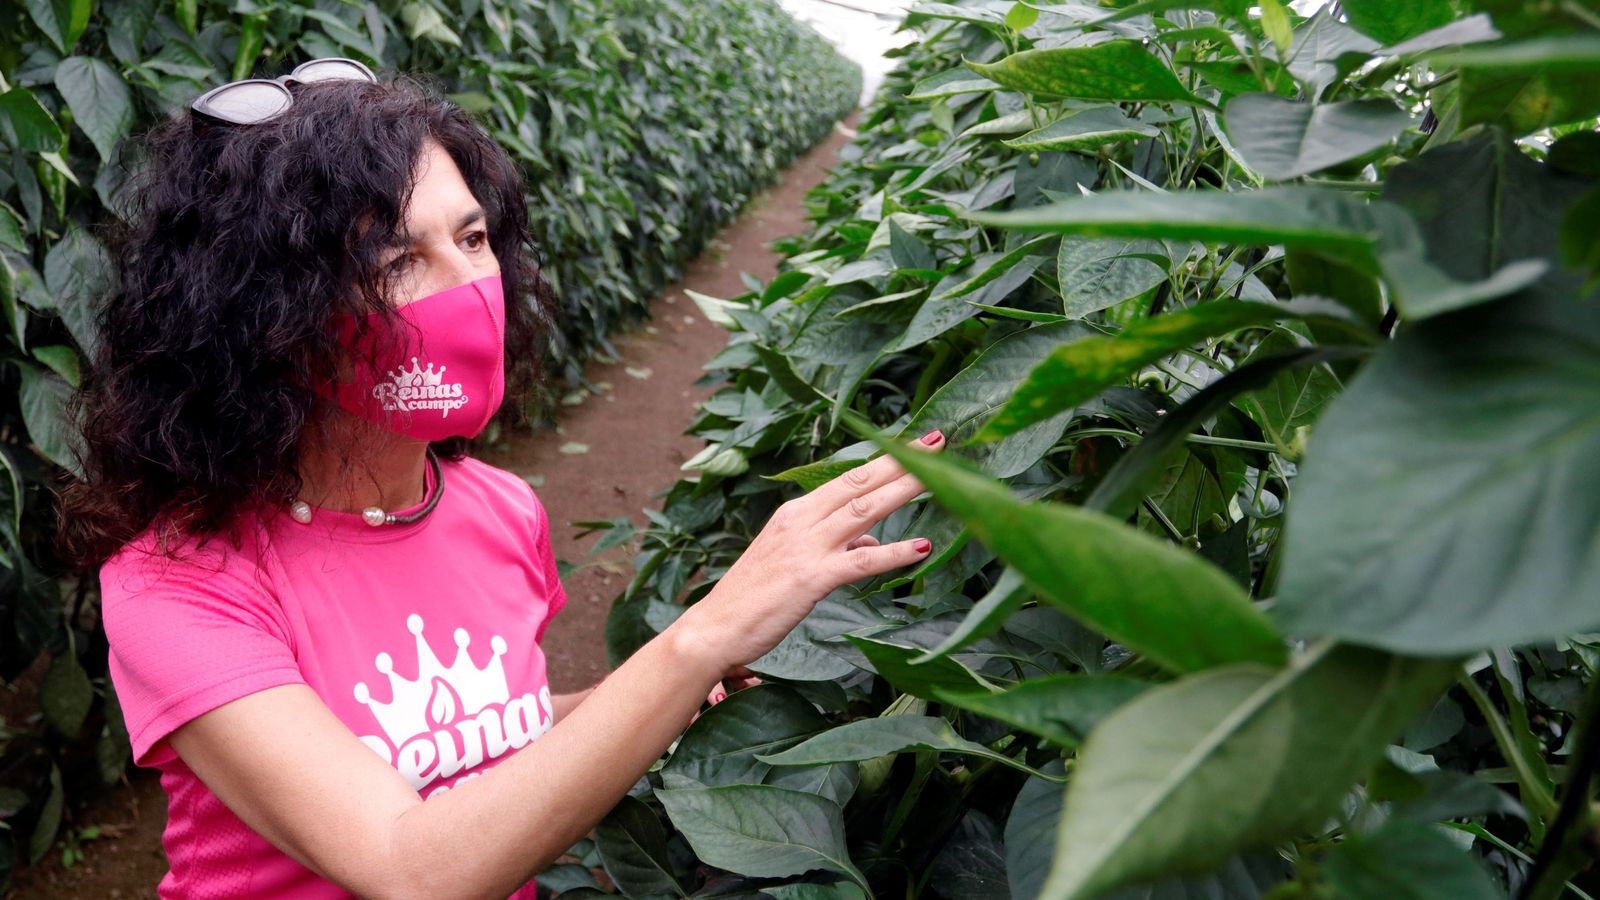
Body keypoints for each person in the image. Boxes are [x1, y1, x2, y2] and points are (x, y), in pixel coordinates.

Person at [57, 62, 944, 899]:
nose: (471, 285)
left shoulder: (498, 507)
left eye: (473, 237)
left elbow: (486, 732)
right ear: (269, 317)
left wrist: (642, 702)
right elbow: (408, 867)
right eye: (398, 262)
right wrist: (700, 637)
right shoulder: (181, 583)